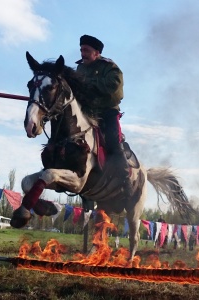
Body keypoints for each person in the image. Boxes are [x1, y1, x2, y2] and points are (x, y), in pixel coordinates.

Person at [76, 34, 132, 197]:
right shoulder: (80, 69)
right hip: (87, 112)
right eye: (81, 50)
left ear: (97, 52)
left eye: (86, 50)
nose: (82, 53)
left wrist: (89, 85)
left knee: (113, 141)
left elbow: (115, 88)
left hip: (107, 112)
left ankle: (125, 179)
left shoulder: (110, 67)